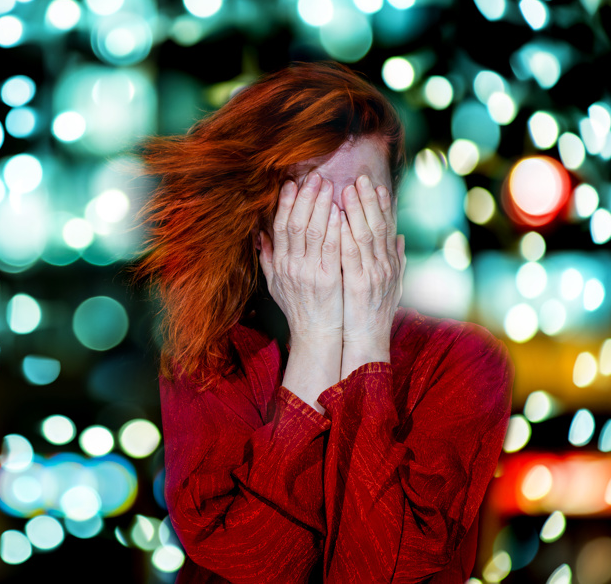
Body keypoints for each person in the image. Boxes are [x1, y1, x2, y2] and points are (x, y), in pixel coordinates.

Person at [126, 61, 514, 582]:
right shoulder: (210, 359)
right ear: (263, 223)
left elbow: (388, 567)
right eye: (306, 205)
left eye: (360, 204)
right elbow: (252, 562)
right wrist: (316, 338)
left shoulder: (462, 362)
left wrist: (366, 342)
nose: (333, 232)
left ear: (392, 214)